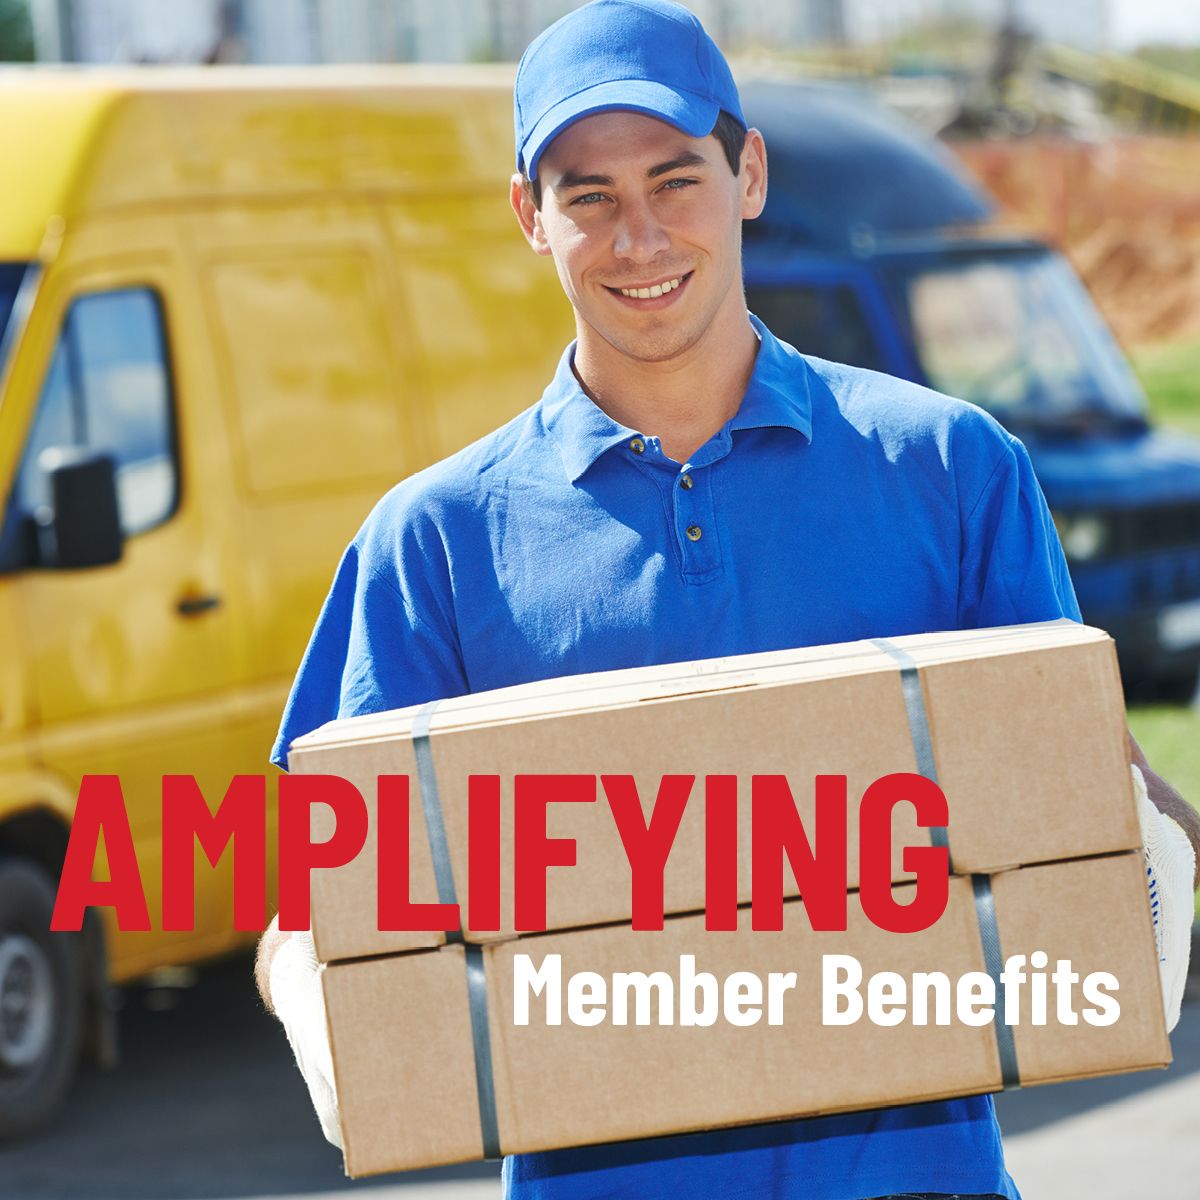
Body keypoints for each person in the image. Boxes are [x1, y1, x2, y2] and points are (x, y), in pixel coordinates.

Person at [257, 2, 1199, 1197]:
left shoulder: (951, 472)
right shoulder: (435, 543)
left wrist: (1142, 845)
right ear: (529, 219)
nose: (638, 236)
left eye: (674, 179)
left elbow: (1092, 807)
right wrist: (323, 1003)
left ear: (748, 172)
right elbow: (316, 897)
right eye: (587, 195)